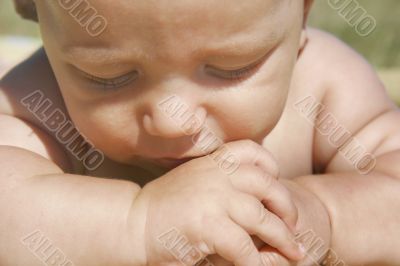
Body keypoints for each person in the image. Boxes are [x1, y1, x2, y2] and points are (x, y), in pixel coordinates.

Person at [1, 0, 399, 265]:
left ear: (302, 14)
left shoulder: (323, 85)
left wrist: (327, 215)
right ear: (33, 9)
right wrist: (138, 224)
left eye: (232, 67)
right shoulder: (36, 102)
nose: (175, 120)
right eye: (108, 76)